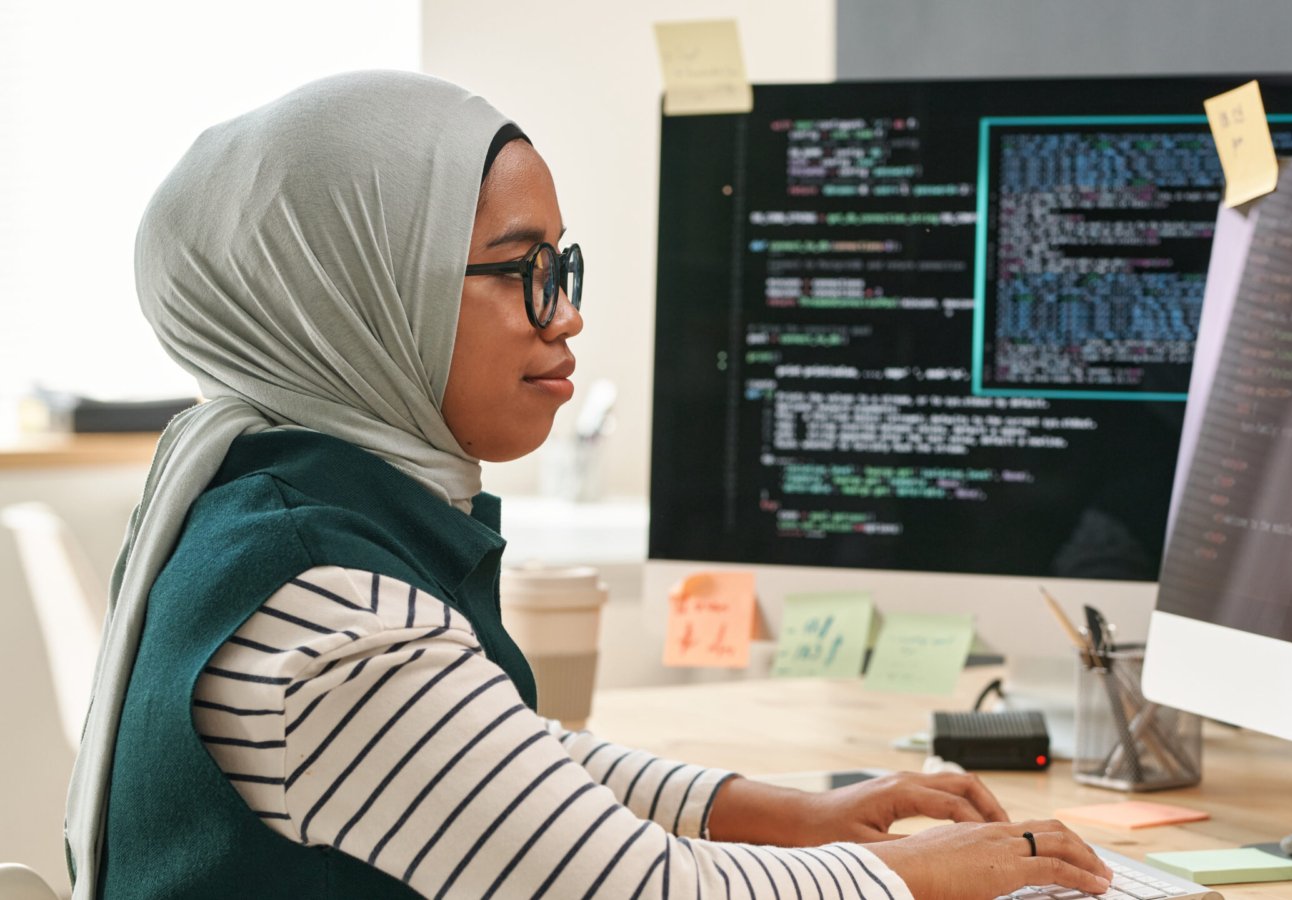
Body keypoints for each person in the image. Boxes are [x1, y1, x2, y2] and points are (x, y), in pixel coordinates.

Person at [63, 70, 1114, 900]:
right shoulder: (327, 614)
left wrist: (779, 810)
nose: (563, 315)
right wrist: (933, 873)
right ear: (360, 294)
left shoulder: (286, 501)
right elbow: (635, 889)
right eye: (521, 269)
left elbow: (496, 765)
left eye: (562, 267)